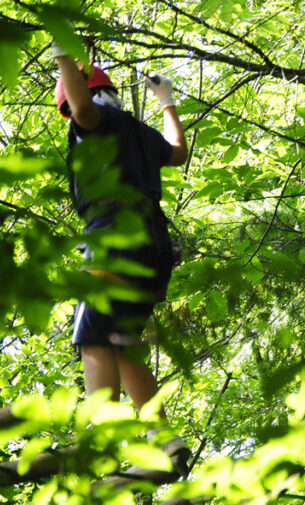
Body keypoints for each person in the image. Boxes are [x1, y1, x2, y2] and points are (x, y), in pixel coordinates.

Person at [53, 42, 190, 474]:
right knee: (123, 346)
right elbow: (179, 152)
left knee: (93, 337)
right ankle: (165, 443)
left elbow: (83, 110)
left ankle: (103, 446)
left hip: (116, 240)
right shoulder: (140, 133)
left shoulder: (96, 120)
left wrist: (61, 51)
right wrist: (167, 102)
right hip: (154, 250)